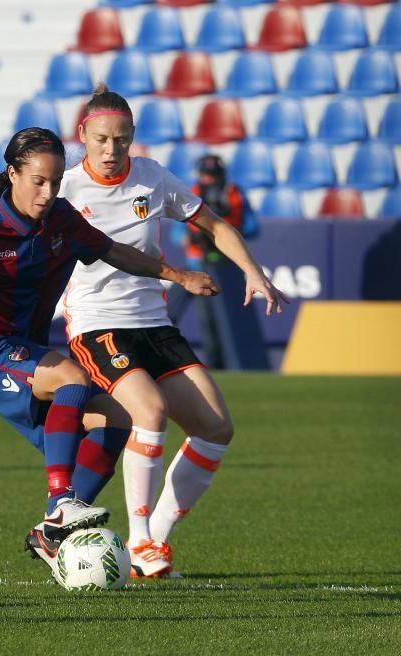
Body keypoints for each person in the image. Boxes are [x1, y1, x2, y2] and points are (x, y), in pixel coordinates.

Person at [0, 127, 218, 582]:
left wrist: (177, 274)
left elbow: (113, 251)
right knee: (73, 377)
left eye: (55, 182)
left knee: (119, 419)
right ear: (13, 174)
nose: (48, 191)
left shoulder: (62, 219)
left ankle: (50, 532)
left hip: (27, 353)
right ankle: (61, 504)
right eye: (38, 181)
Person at [59, 85, 287, 578]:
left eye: (121, 139)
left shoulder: (152, 177)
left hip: (154, 323)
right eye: (100, 139)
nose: (110, 149)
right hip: (97, 323)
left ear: (133, 137)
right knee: (152, 411)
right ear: (83, 135)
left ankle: (155, 542)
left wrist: (253, 271)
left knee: (216, 428)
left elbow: (215, 225)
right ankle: (138, 541)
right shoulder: (64, 188)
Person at [169, 154, 260, 368]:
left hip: (226, 266)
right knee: (181, 314)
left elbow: (252, 227)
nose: (209, 180)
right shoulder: (191, 194)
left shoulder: (234, 194)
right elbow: (176, 234)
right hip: (195, 266)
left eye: (213, 175)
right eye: (206, 175)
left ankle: (220, 364)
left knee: (222, 320)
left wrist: (225, 232)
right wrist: (192, 237)